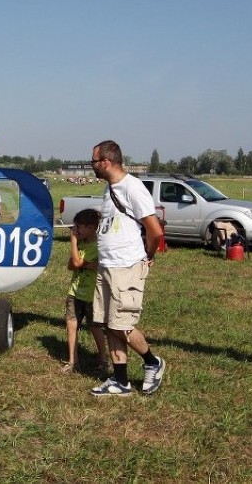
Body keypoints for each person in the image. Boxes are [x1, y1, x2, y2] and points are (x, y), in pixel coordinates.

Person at [88, 140, 166, 397]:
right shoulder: (110, 188)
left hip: (126, 266)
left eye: (94, 162)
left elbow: (154, 231)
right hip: (107, 265)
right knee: (109, 325)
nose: (92, 166)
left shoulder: (133, 188)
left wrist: (148, 255)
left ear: (106, 162)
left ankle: (153, 362)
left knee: (122, 325)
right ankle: (120, 381)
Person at [62, 208, 109, 375]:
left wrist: (73, 241)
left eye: (78, 227)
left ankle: (103, 359)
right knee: (71, 325)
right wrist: (85, 264)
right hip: (75, 293)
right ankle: (73, 361)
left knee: (95, 327)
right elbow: (71, 265)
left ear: (91, 228)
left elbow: (76, 261)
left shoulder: (97, 246)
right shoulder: (81, 243)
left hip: (92, 295)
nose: (75, 230)